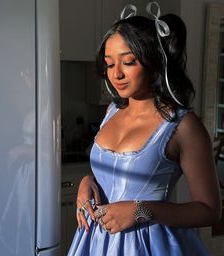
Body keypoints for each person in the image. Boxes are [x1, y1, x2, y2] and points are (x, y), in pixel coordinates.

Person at [68, 2, 221, 255]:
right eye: (108, 64)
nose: (115, 74)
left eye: (128, 62)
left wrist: (140, 210)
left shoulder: (182, 126)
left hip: (146, 246)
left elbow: (210, 210)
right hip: (94, 242)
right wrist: (87, 181)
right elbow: (114, 174)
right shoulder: (111, 112)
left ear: (154, 61)